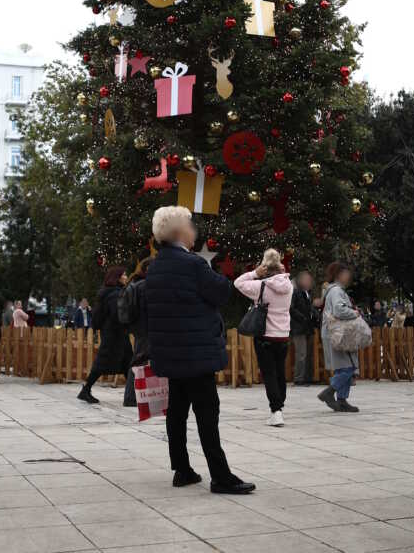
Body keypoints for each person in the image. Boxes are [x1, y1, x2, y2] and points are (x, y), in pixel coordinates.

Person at [145, 205, 254, 495]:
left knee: (177, 412)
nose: (194, 231)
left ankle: (182, 469)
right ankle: (220, 476)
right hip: (196, 352)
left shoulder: (154, 267)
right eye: (191, 226)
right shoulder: (193, 264)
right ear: (180, 232)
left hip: (170, 352)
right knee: (207, 413)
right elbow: (222, 291)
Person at [233, 249, 293, 426]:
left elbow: (237, 283)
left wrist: (254, 273)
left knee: (269, 373)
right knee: (280, 372)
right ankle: (279, 406)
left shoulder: (261, 286)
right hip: (283, 335)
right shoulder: (289, 285)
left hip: (265, 335)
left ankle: (276, 411)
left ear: (265, 266)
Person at [78, 267, 133, 404]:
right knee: (103, 362)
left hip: (116, 333)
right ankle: (86, 389)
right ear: (118, 277)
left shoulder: (110, 292)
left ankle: (132, 396)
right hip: (114, 333)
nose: (126, 277)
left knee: (128, 361)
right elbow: (117, 314)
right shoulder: (115, 293)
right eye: (124, 275)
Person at [319, 262, 362, 412]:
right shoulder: (336, 291)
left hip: (333, 333)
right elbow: (339, 310)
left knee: (341, 368)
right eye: (345, 274)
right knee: (349, 367)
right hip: (337, 334)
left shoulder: (333, 290)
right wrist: (354, 313)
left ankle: (342, 400)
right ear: (338, 275)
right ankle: (329, 392)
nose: (348, 277)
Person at [123, 257, 153, 407]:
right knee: (138, 361)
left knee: (139, 361)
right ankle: (130, 397)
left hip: (140, 329)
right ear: (148, 269)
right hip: (146, 329)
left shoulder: (136, 284)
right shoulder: (145, 286)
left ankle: (138, 395)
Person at [290, 271, 317, 386]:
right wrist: (302, 318)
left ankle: (308, 377)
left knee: (309, 353)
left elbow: (310, 309)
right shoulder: (295, 292)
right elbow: (291, 308)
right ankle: (299, 378)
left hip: (308, 327)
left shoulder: (307, 293)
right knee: (301, 353)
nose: (308, 282)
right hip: (298, 327)